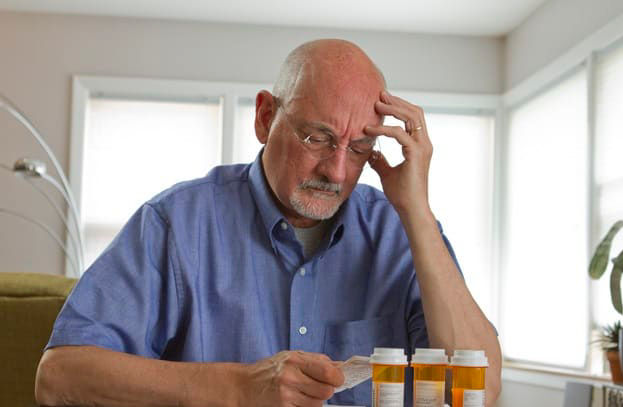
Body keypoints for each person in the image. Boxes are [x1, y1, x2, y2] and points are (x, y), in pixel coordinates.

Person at [35, 39, 501, 407]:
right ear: (265, 117)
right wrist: (237, 389)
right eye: (317, 138)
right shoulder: (177, 224)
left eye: (359, 149)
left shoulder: (399, 232)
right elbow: (58, 378)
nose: (336, 172)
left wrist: (417, 211)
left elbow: (480, 389)